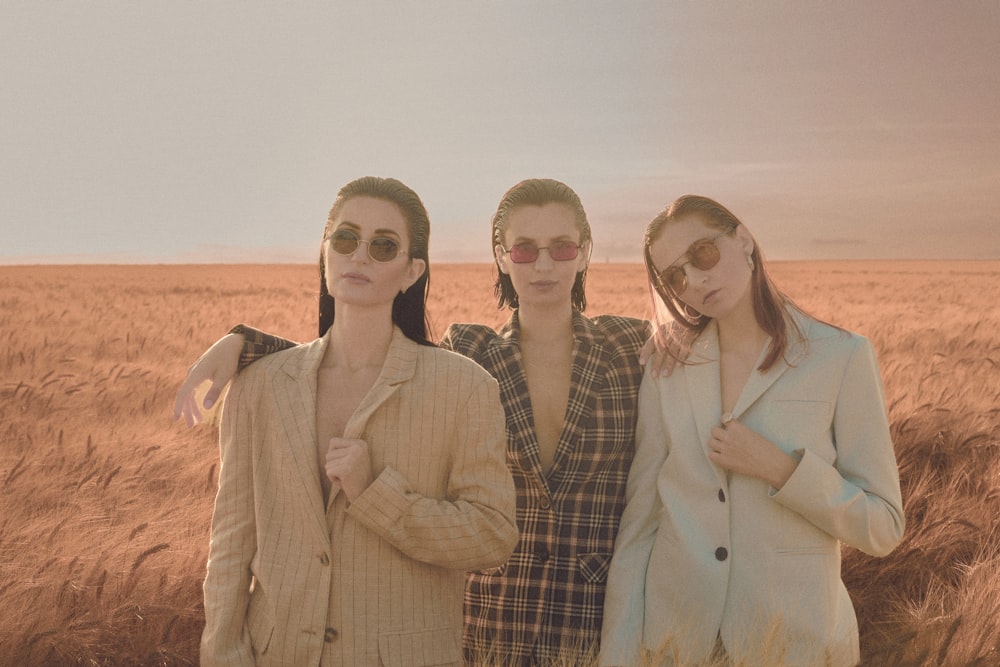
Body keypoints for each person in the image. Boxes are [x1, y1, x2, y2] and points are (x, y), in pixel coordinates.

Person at [177, 179, 651, 665]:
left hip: (598, 625)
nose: (545, 264)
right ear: (502, 256)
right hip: (490, 626)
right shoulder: (474, 351)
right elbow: (364, 357)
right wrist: (244, 343)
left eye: (562, 247)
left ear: (585, 252)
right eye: (526, 249)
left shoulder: (633, 348)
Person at [199, 176, 518, 667]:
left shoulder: (465, 387)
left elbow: (492, 535)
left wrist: (376, 495)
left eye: (383, 245)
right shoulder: (259, 386)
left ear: (412, 271)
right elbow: (230, 545)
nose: (360, 255)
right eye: (345, 239)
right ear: (325, 255)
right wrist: (223, 656)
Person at [599, 195, 905, 667]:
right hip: (676, 646)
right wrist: (617, 655)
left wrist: (781, 469)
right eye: (676, 275)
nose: (695, 280)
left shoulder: (842, 357)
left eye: (702, 253)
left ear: (744, 239)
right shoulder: (669, 367)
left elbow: (883, 527)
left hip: (794, 645)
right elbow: (640, 525)